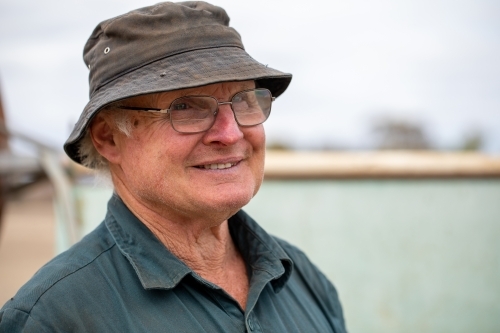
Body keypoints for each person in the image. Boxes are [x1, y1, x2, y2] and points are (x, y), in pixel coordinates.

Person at [0, 2, 346, 332]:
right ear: (109, 138)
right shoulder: (53, 318)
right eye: (186, 107)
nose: (231, 132)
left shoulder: (302, 279)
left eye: (245, 100)